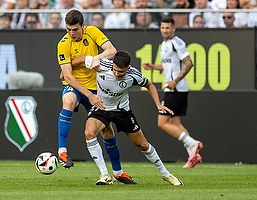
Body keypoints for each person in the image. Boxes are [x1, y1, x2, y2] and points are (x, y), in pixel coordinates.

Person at [72, 51, 183, 185]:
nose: (117, 74)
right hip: (102, 108)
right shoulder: (101, 64)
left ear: (128, 68)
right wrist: (66, 71)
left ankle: (166, 174)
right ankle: (104, 174)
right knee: (89, 133)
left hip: (122, 111)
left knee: (143, 145)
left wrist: (158, 104)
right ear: (112, 64)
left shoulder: (133, 75)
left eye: (121, 72)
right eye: (115, 70)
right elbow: (81, 58)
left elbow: (149, 85)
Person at [57, 9, 118, 174]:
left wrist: (95, 58)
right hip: (76, 86)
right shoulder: (63, 44)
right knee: (68, 101)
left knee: (106, 129)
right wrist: (89, 96)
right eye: (68, 29)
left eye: (75, 29)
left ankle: (118, 171)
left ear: (83, 26)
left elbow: (112, 51)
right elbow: (67, 76)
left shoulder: (92, 32)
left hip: (96, 86)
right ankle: (62, 151)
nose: (71, 33)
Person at [143, 17, 203, 168]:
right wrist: (153, 67)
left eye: (167, 28)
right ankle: (193, 154)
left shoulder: (177, 42)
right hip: (175, 89)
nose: (165, 30)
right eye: (162, 28)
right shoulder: (164, 44)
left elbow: (189, 63)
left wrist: (175, 81)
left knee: (162, 123)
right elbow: (168, 66)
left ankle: (193, 144)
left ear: (173, 29)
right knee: (176, 123)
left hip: (175, 89)